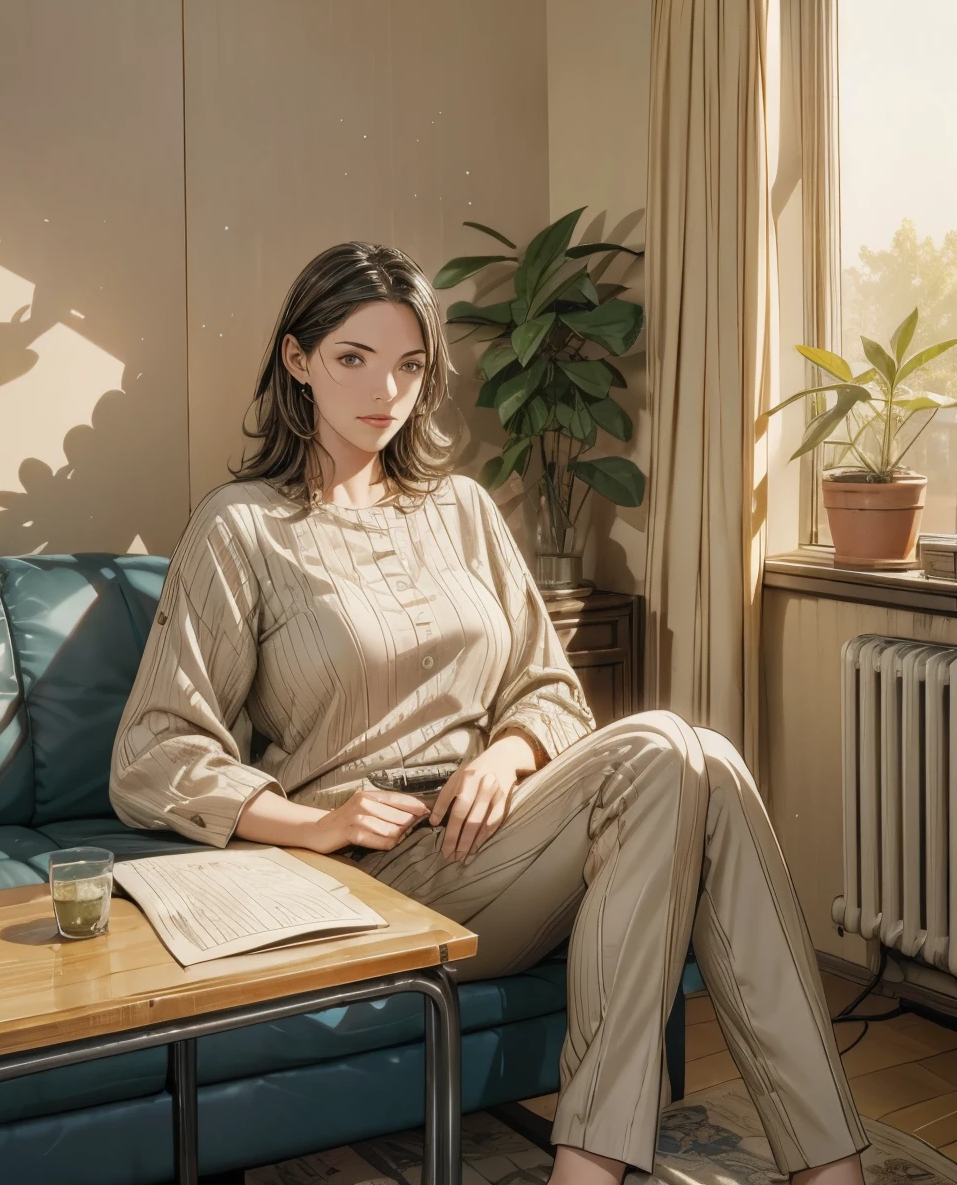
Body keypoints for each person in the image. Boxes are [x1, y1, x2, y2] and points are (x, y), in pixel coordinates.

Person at [109, 240, 869, 1185]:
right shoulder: (242, 527)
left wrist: (507, 755)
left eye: (409, 364)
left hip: (503, 833)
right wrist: (315, 821)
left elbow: (548, 689)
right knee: (678, 748)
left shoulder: (463, 509)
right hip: (375, 870)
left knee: (695, 758)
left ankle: (770, 1172)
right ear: (297, 361)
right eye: (353, 357)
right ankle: (790, 1167)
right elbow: (153, 750)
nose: (384, 388)